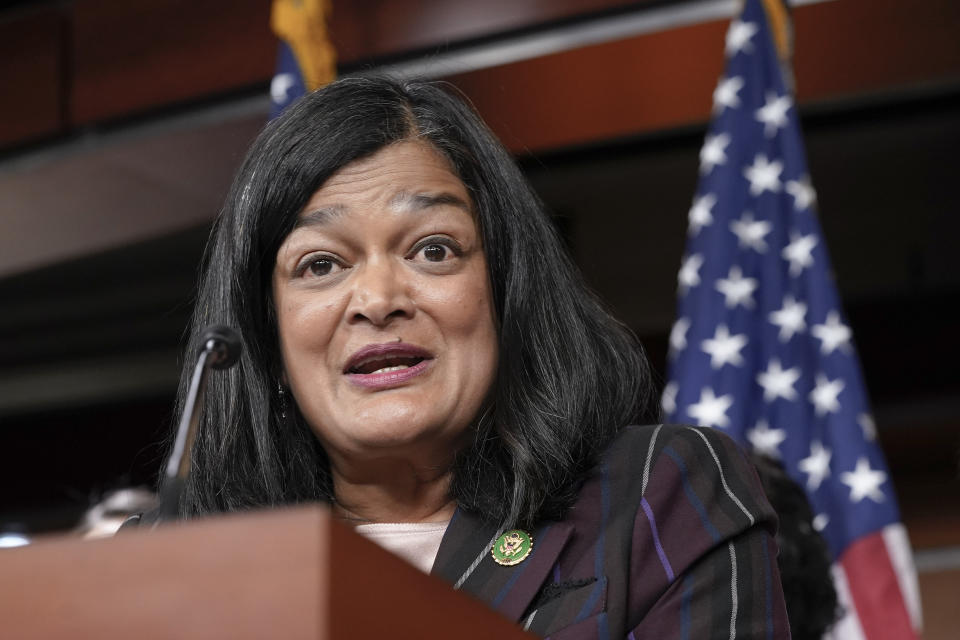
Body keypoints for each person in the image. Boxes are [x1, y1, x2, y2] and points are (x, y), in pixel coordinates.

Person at [164, 75, 790, 638]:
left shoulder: (659, 493)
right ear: (265, 337)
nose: (379, 299)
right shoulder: (170, 565)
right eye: (321, 264)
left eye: (433, 250)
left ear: (505, 292)